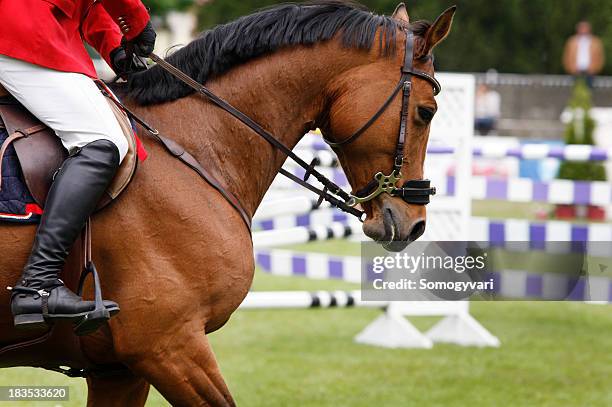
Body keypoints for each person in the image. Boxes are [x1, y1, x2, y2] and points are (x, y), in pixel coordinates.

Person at [0, 0, 156, 332]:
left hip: (33, 23)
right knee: (102, 140)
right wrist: (136, 22)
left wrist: (115, 46)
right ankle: (38, 284)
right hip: (17, 27)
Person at [562, 21, 605, 88]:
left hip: (590, 70)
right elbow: (566, 56)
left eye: (585, 28)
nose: (583, 30)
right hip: (575, 70)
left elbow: (600, 57)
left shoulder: (596, 41)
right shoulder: (571, 41)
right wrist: (570, 69)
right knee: (576, 90)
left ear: (589, 29)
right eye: (581, 28)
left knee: (589, 91)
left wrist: (596, 69)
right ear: (578, 29)